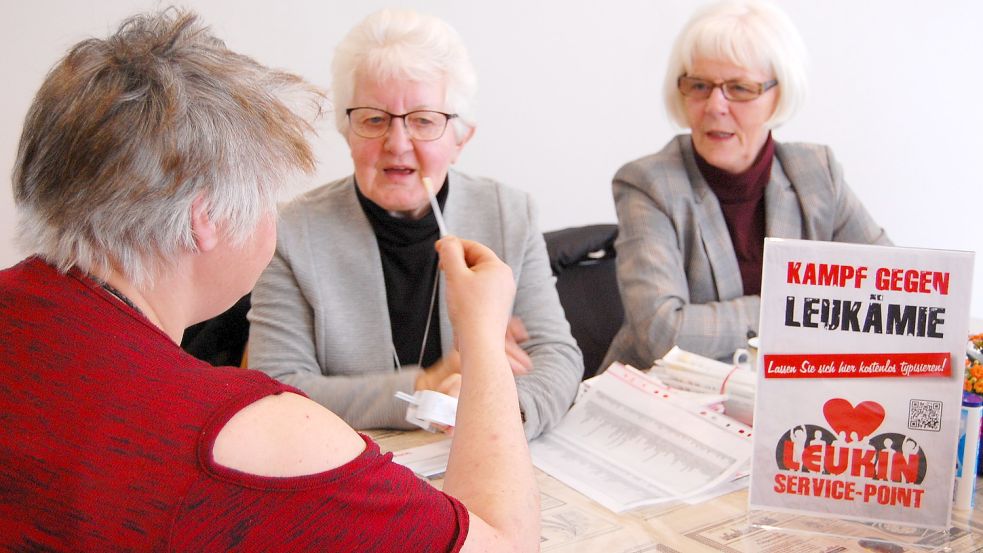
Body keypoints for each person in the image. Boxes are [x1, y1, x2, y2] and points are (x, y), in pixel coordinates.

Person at [0, 9, 539, 551]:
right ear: (205, 217)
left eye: (423, 120)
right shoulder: (256, 440)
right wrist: (483, 338)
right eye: (266, 192)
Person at [247, 8, 582, 438]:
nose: (398, 144)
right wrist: (425, 386)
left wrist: (499, 408)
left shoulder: (509, 214)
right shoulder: (291, 232)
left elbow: (557, 357)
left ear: (460, 140)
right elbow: (277, 389)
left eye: (424, 121)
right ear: (347, 132)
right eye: (374, 119)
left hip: (478, 450)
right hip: (351, 468)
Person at [602, 0, 891, 369]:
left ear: (779, 94)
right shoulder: (647, 184)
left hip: (781, 396)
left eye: (739, 88)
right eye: (700, 85)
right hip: (666, 397)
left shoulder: (818, 173)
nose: (715, 106)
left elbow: (889, 292)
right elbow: (663, 333)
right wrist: (796, 306)